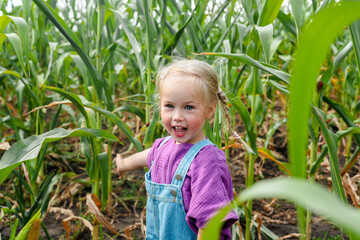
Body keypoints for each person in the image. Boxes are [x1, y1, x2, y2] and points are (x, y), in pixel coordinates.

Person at [115, 59, 238, 240]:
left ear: (210, 110)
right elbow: (148, 156)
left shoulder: (207, 161)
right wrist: (123, 163)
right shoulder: (164, 146)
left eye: (189, 107)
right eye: (170, 106)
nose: (178, 117)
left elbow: (210, 222)